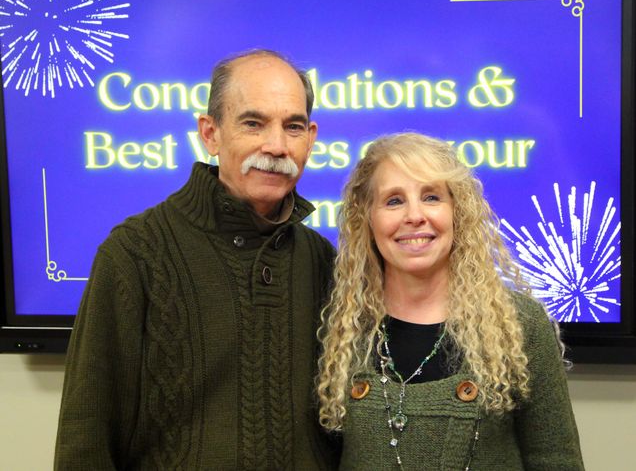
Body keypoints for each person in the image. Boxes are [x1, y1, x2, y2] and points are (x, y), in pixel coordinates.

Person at [55, 50, 339, 470]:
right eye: (253, 123)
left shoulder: (321, 259)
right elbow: (86, 435)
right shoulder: (135, 253)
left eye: (292, 126)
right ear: (210, 133)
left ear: (311, 138)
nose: (276, 145)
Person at [316, 133, 584, 470]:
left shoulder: (519, 324)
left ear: (457, 212)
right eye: (394, 201)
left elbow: (556, 460)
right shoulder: (342, 329)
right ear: (367, 219)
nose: (414, 215)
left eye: (431, 197)